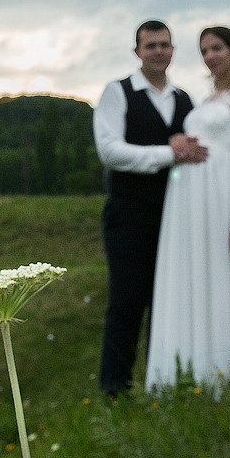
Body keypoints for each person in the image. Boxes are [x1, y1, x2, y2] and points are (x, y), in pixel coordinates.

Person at [145, 25, 230, 395]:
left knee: (224, 276)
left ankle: (229, 369)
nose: (210, 56)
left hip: (225, 199)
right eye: (204, 50)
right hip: (191, 204)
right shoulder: (204, 103)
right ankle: (192, 369)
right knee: (198, 277)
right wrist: (176, 141)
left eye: (217, 48)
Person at [94, 20, 208, 396]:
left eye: (165, 45)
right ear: (137, 52)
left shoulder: (184, 99)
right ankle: (115, 390)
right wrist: (169, 152)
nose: (158, 51)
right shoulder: (118, 92)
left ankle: (165, 382)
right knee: (127, 302)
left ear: (173, 50)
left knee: (170, 300)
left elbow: (197, 149)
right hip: (128, 214)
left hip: (176, 216)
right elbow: (110, 151)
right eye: (150, 45)